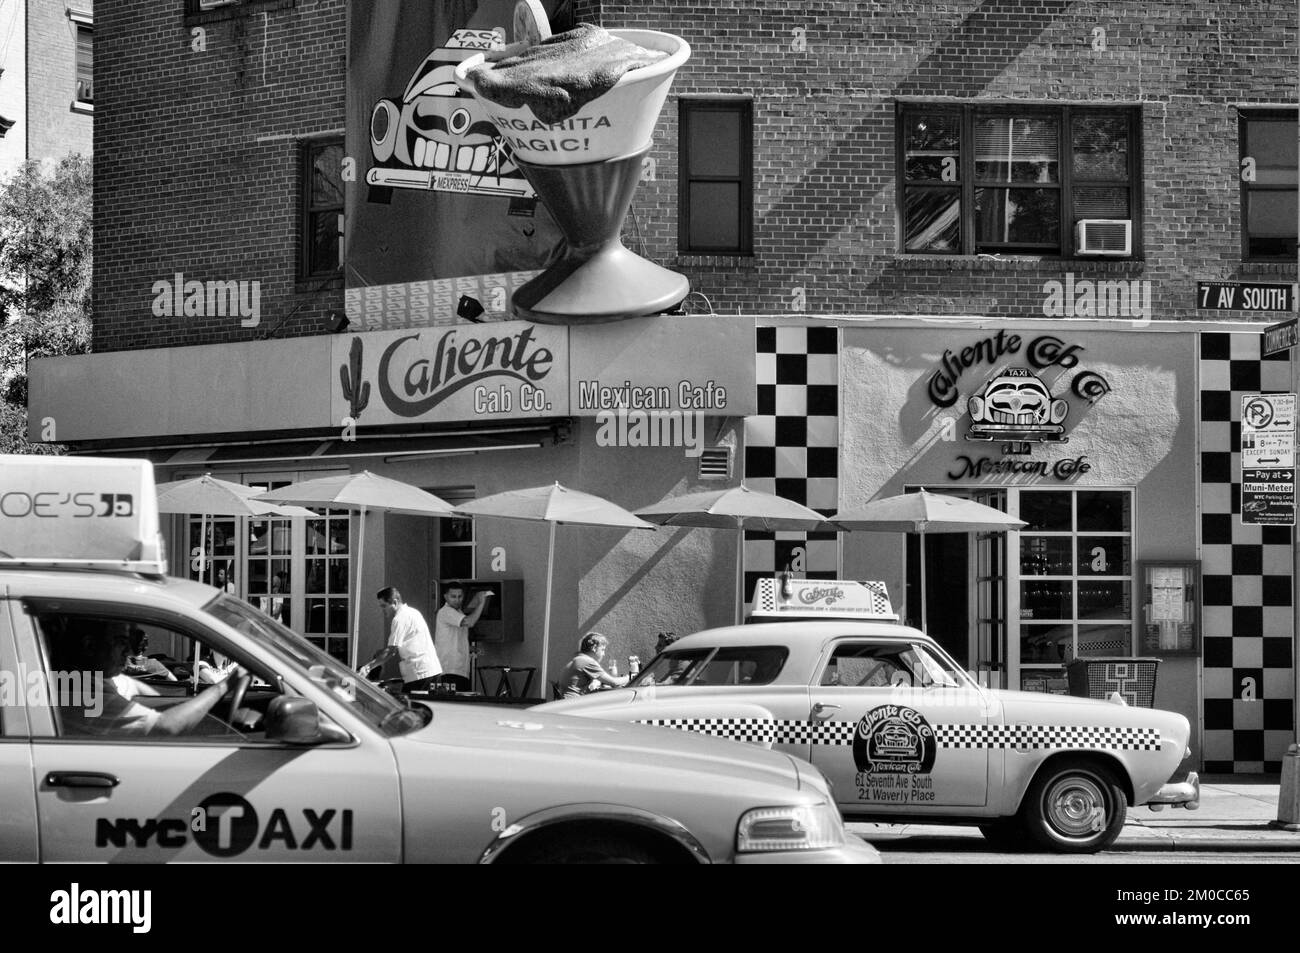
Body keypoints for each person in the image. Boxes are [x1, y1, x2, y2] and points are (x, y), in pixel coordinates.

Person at [59, 622, 242, 737]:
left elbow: (135, 687)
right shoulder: (80, 691)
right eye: (122, 642)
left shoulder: (96, 678)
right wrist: (226, 685)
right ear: (90, 646)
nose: (128, 652)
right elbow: (166, 727)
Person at [359, 587, 441, 692]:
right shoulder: (413, 612)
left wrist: (367, 668)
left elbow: (391, 651)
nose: (383, 610)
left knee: (410, 706)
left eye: (384, 606)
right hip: (430, 669)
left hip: (420, 674)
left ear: (395, 602)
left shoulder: (399, 619)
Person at [433, 582, 491, 692]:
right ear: (445, 597)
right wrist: (481, 603)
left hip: (459, 670)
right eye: (453, 596)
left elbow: (455, 640)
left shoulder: (458, 612)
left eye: (460, 596)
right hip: (449, 670)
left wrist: (472, 649)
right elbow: (470, 622)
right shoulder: (446, 612)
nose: (457, 600)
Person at [557, 632, 628, 699]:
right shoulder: (587, 661)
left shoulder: (578, 658)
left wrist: (596, 681)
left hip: (567, 700)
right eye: (602, 650)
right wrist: (631, 677)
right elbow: (614, 682)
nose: (604, 654)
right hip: (575, 703)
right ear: (594, 648)